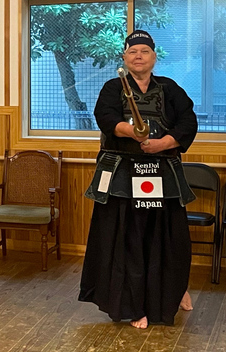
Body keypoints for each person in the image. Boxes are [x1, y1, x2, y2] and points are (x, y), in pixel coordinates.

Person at [79, 29, 197, 329]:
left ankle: (173, 291)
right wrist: (132, 131)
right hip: (123, 173)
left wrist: (164, 143)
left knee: (169, 238)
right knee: (128, 240)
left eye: (144, 51)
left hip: (163, 171)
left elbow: (188, 121)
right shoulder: (112, 88)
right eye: (133, 52)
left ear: (154, 57)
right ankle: (134, 305)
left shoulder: (170, 89)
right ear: (125, 57)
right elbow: (105, 117)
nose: (139, 56)